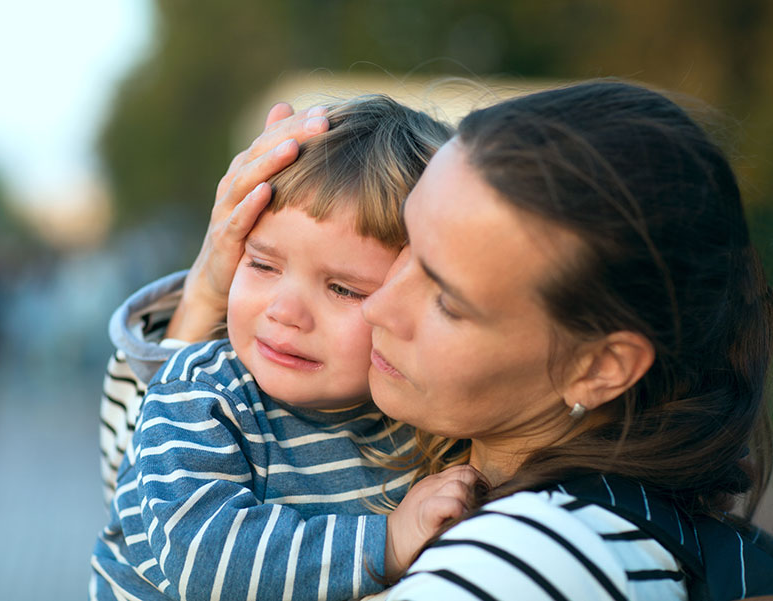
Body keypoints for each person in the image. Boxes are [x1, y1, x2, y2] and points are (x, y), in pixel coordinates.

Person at [99, 80, 773, 600]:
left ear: (598, 367)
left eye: (445, 296)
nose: (383, 307)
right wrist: (205, 300)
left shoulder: (520, 559)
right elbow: (146, 505)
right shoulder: (623, 512)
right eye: (405, 256)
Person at [91, 95, 479, 601]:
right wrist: (387, 541)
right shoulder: (202, 394)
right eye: (263, 265)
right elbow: (204, 560)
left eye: (343, 289)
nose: (284, 311)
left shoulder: (422, 422)